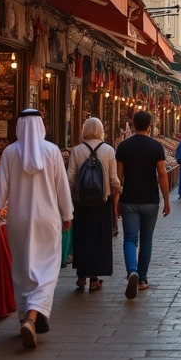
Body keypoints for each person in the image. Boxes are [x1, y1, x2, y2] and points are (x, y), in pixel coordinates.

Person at [0, 109, 72, 349]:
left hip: (19, 221)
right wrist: (68, 214)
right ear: (41, 126)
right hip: (47, 220)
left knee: (23, 269)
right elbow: (62, 187)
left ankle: (28, 316)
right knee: (46, 270)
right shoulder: (52, 151)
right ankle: (33, 316)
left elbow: (0, 188)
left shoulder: (10, 152)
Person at [115, 110, 171, 299]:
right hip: (150, 201)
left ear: (132, 123)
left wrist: (116, 201)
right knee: (146, 240)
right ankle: (143, 279)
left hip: (129, 199)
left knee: (130, 239)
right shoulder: (156, 146)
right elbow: (162, 174)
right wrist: (167, 199)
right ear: (150, 125)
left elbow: (119, 178)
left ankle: (132, 270)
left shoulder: (123, 147)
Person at [67, 117, 120, 292]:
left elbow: (70, 178)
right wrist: (117, 195)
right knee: (99, 240)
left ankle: (81, 275)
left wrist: (70, 199)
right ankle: (95, 279)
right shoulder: (109, 150)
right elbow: (114, 179)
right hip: (102, 202)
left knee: (82, 238)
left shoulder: (76, 150)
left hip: (81, 203)